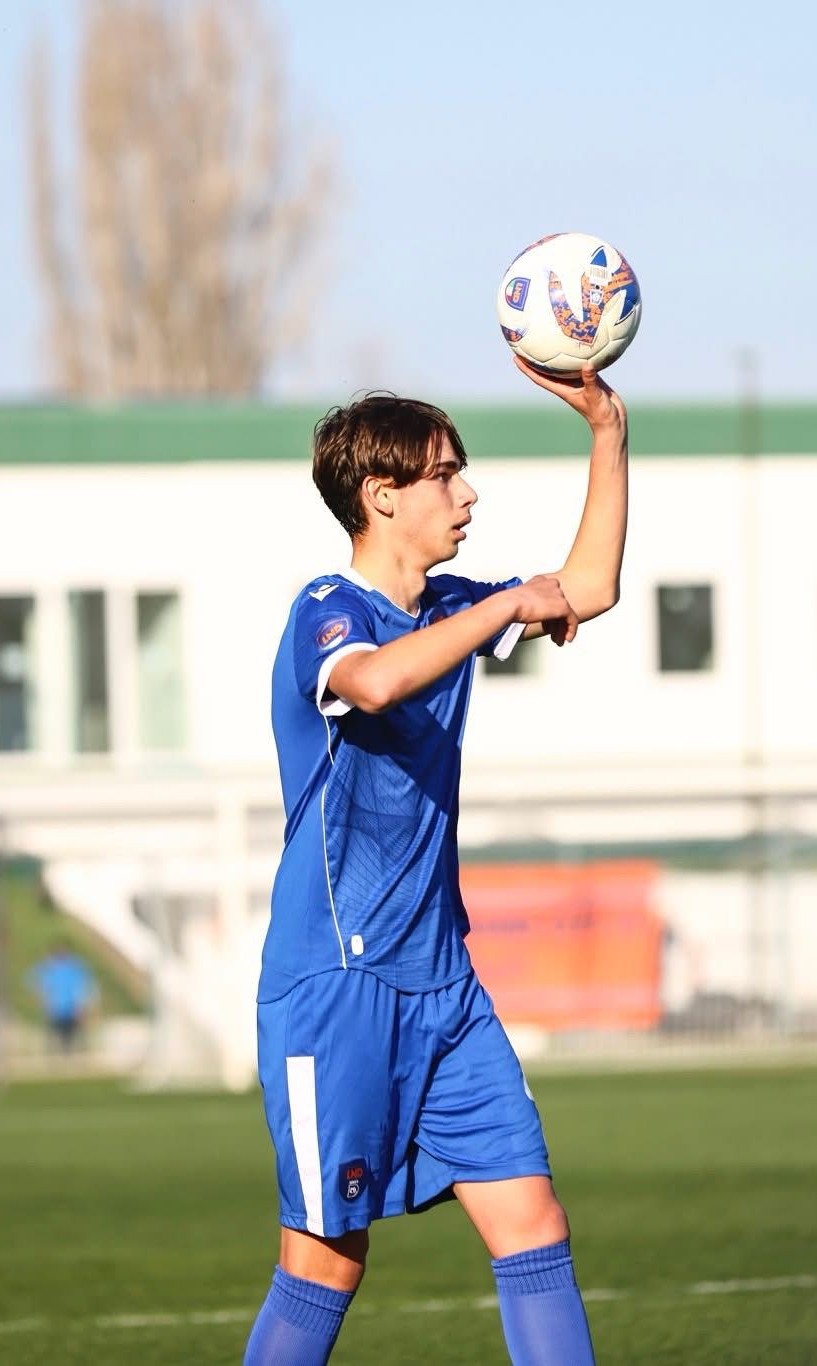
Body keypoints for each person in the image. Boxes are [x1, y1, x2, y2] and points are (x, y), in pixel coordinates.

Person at [244, 357, 627, 1365]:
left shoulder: (454, 603)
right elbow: (370, 683)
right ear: (381, 496)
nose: (467, 491)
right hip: (336, 984)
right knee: (325, 1258)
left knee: (532, 1221)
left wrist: (605, 433)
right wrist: (501, 612)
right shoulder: (327, 607)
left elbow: (586, 586)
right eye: (444, 474)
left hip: (444, 986)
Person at [29, 941, 96, 1055]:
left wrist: (82, 1005)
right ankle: (55, 1055)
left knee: (70, 1035)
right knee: (55, 1034)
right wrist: (43, 995)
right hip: (55, 1008)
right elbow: (35, 980)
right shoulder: (49, 967)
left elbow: (84, 985)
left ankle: (71, 1054)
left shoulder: (75, 967)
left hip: (71, 1008)